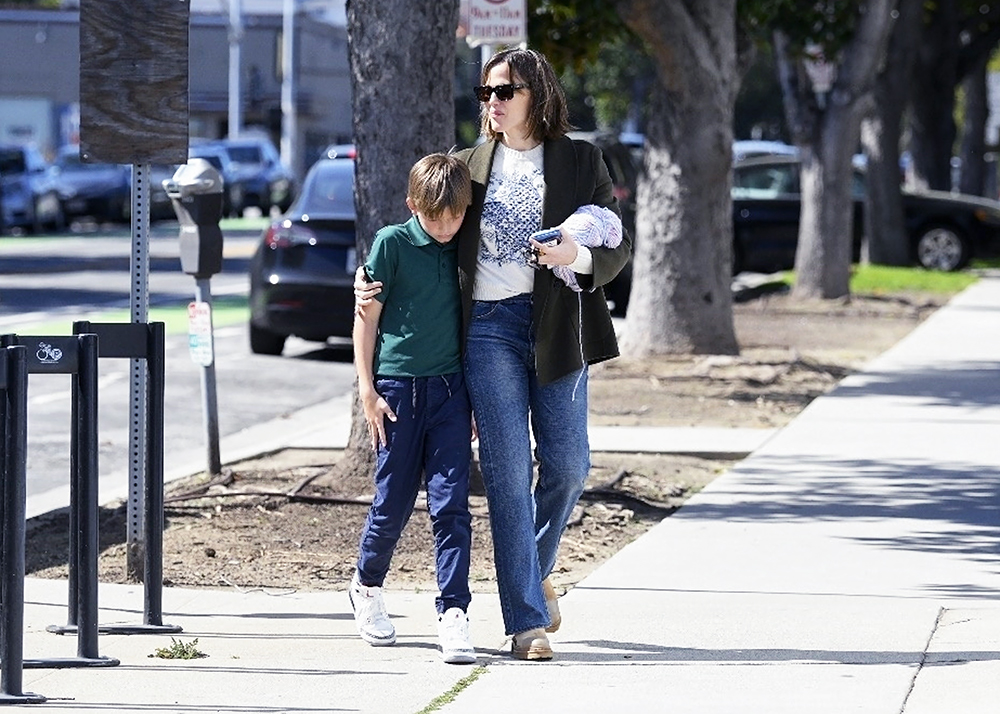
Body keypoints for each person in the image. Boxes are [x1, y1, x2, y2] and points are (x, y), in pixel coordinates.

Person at [358, 48, 631, 661]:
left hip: (557, 327)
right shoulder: (466, 165)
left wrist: (576, 258)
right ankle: (525, 622)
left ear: (535, 93)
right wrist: (370, 277)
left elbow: (616, 243)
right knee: (508, 475)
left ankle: (533, 572)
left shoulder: (582, 160)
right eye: (485, 94)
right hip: (486, 331)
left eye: (504, 92)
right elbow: (421, 232)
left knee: (567, 465)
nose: (493, 103)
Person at [349, 153, 477, 665]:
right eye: (435, 217)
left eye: (456, 215)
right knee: (394, 501)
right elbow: (366, 319)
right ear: (412, 206)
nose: (446, 226)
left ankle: (454, 612)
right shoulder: (391, 245)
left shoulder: (468, 242)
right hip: (398, 394)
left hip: (450, 394)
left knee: (452, 507)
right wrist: (367, 389)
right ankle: (366, 586)